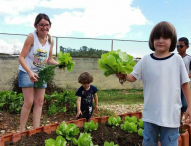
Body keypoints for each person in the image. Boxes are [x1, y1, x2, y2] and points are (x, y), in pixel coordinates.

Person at [116, 21, 191, 146]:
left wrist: (189, 106)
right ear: (152, 40)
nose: (160, 40)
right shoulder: (145, 60)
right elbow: (133, 77)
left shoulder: (177, 59)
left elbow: (185, 83)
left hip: (171, 115)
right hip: (150, 115)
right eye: (157, 37)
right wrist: (123, 75)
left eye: (165, 37)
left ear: (172, 41)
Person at [18, 13, 59, 132]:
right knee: (28, 102)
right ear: (36, 25)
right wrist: (30, 72)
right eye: (41, 25)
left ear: (50, 25)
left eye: (47, 25)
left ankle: (35, 130)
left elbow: (49, 59)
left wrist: (60, 64)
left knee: (39, 101)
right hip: (26, 72)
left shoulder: (50, 40)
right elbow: (21, 57)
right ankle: (21, 131)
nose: (44, 27)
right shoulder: (31, 37)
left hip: (42, 73)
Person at [177, 37, 191, 124]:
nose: (178, 48)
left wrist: (187, 76)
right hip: (174, 84)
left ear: (187, 47)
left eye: (181, 46)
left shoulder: (189, 58)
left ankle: (179, 121)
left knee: (184, 104)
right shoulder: (173, 57)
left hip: (184, 84)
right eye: (177, 46)